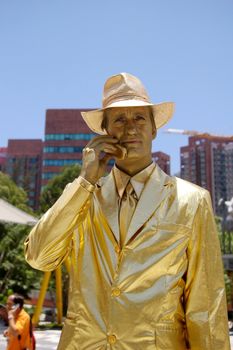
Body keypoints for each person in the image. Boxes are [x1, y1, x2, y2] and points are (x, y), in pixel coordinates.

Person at [25, 72, 230, 349]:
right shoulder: (83, 197)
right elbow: (38, 257)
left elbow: (205, 307)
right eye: (119, 120)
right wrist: (84, 182)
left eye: (140, 118)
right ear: (105, 132)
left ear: (154, 128)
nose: (130, 128)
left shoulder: (192, 201)